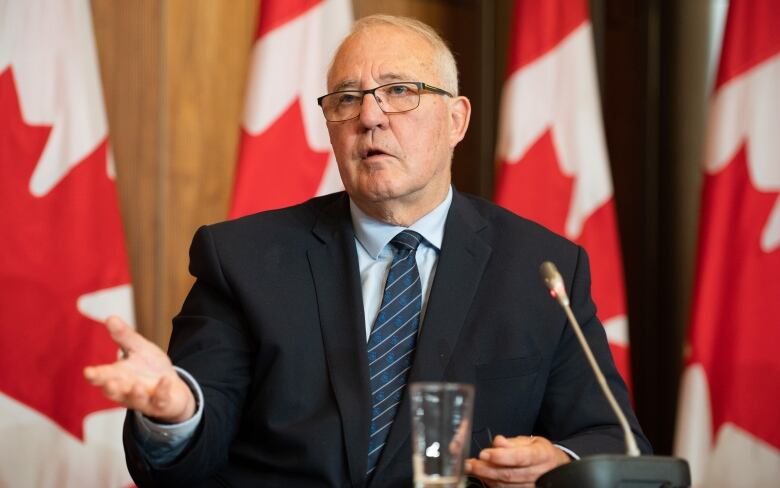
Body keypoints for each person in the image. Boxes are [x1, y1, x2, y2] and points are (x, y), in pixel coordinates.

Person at [84, 14, 650, 487]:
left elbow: (613, 440)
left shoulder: (541, 267)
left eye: (400, 91)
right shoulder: (243, 260)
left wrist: (558, 465)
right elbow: (188, 457)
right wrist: (178, 413)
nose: (370, 116)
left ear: (457, 119)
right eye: (347, 98)